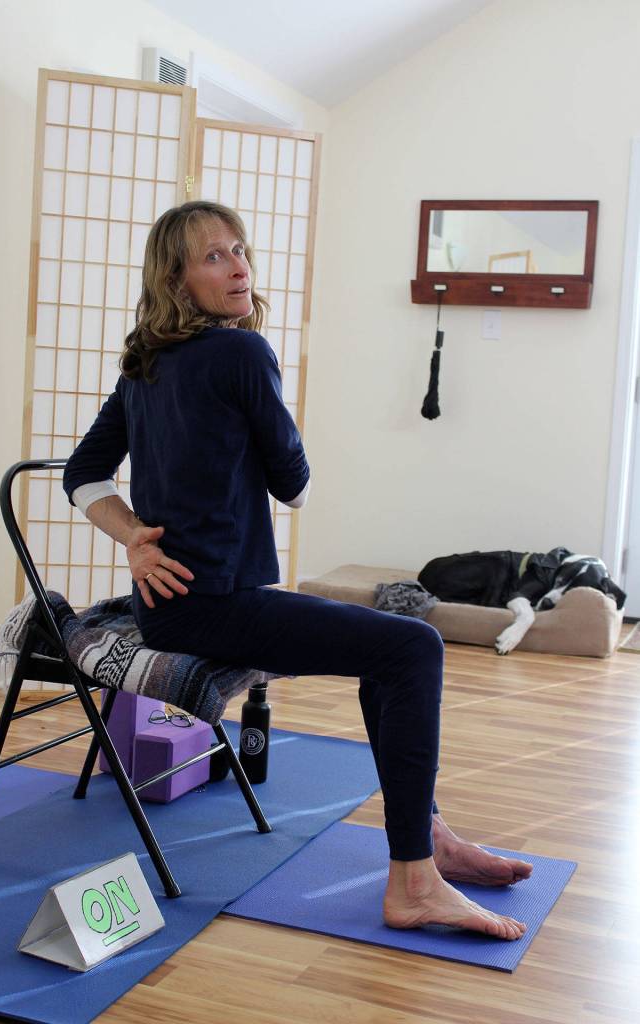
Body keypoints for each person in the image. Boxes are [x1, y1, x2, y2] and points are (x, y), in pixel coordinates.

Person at [63, 200, 531, 939]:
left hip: (175, 604)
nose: (238, 264)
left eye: (238, 248)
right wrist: (151, 530)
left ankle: (429, 841)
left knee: (391, 654)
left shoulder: (144, 361)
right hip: (214, 605)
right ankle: (413, 881)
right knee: (413, 647)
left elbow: (84, 476)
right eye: (212, 256)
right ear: (177, 279)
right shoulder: (242, 354)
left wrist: (133, 541)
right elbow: (295, 484)